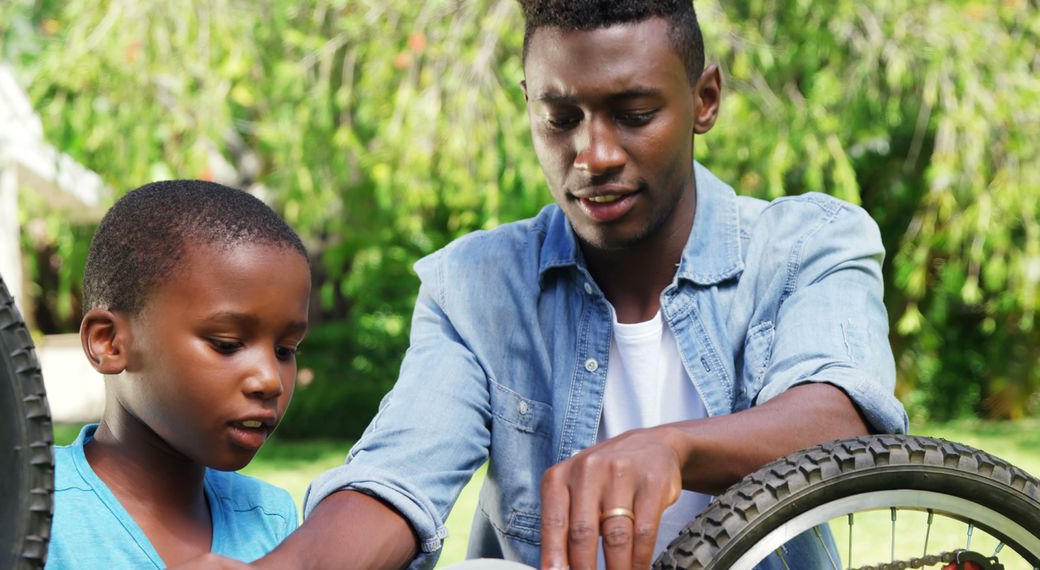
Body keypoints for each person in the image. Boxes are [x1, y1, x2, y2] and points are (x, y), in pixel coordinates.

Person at [184, 1, 909, 569]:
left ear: (706, 99)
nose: (591, 155)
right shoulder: (476, 286)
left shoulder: (808, 244)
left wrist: (674, 449)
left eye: (634, 115)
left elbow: (839, 416)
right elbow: (399, 479)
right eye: (560, 118)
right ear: (528, 101)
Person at [48, 180, 312, 568]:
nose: (270, 380)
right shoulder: (21, 506)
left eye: (285, 350)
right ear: (110, 343)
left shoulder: (270, 519)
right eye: (226, 343)